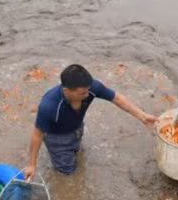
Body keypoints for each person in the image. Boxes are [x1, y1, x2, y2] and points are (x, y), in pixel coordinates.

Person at [23, 64, 157, 180]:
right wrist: (32, 165)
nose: (87, 95)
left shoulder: (90, 87)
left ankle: (73, 150)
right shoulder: (49, 106)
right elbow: (37, 135)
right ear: (67, 91)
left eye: (88, 90)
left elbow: (117, 98)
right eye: (82, 93)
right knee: (68, 172)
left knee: (77, 150)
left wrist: (142, 116)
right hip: (57, 138)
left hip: (77, 127)